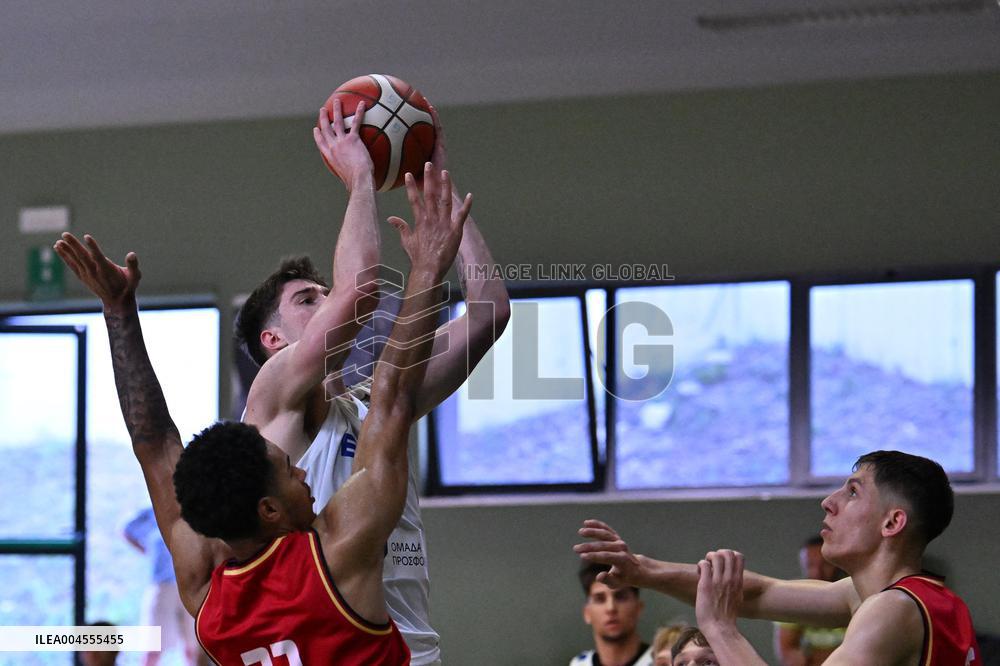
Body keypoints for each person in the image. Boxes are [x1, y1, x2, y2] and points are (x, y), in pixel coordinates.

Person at [53, 165, 470, 663]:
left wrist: (118, 312)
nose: (300, 469)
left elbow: (155, 443)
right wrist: (426, 269)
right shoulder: (337, 555)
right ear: (269, 510)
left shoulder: (206, 592)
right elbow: (395, 396)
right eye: (288, 471)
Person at [235, 100, 509, 666]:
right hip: (334, 654)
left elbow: (488, 315)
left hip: (414, 652)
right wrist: (359, 175)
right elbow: (359, 290)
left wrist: (443, 197)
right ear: (273, 341)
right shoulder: (271, 402)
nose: (328, 302)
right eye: (308, 300)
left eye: (323, 292)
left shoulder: (379, 403)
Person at [575, 451, 982, 665]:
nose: (829, 502)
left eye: (853, 492)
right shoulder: (910, 598)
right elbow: (756, 594)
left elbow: (731, 607)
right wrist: (643, 570)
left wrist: (720, 629)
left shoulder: (894, 609)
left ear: (892, 523)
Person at [123, 507, 206, 665]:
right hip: (164, 584)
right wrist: (150, 552)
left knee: (194, 648)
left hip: (191, 584)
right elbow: (127, 529)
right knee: (153, 648)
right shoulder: (151, 512)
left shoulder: (196, 508)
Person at [773, 535, 845, 665]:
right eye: (810, 565)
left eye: (825, 564)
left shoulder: (858, 590)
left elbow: (866, 655)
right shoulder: (792, 596)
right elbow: (789, 655)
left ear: (838, 563)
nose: (818, 572)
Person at [570, 562, 654, 666]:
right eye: (600, 599)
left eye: (620, 597)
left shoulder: (663, 661)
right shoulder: (578, 664)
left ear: (638, 608)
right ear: (587, 613)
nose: (611, 608)